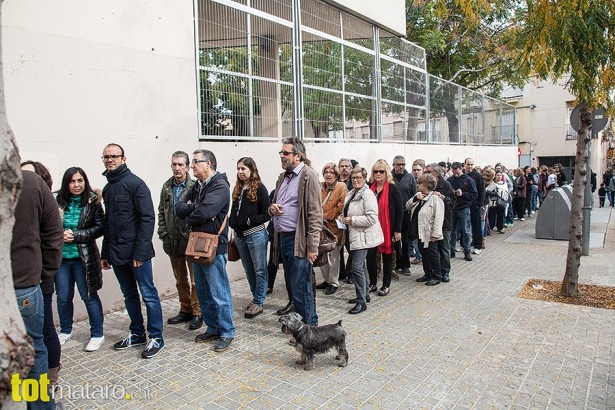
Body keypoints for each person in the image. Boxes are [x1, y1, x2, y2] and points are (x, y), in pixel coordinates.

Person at [100, 143, 165, 359]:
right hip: (117, 254)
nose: (110, 160)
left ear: (123, 159)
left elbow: (148, 218)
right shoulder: (108, 188)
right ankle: (137, 333)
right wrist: (105, 253)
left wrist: (140, 252)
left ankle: (156, 336)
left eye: (114, 156)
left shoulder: (136, 184)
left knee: (148, 294)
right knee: (129, 295)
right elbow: (109, 222)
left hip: (138, 254)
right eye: (106, 157)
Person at [12, 170, 63, 409]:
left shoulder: (32, 182)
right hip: (23, 285)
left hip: (22, 284)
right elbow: (54, 232)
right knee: (33, 351)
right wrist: (44, 272)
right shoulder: (30, 182)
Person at [176, 149, 235, 352]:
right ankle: (213, 327)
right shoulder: (198, 185)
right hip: (197, 245)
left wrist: (195, 210)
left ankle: (227, 331)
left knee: (219, 291)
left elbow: (207, 211)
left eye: (195, 162)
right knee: (203, 291)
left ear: (208, 163)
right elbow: (179, 207)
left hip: (214, 247)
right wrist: (196, 210)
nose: (191, 166)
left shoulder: (219, 185)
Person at [269, 137, 322, 326]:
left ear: (298, 156)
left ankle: (309, 327)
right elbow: (275, 203)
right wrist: (272, 209)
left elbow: (316, 213)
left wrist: (312, 246)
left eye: (286, 153)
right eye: (281, 153)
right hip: (282, 238)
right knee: (293, 286)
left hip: (298, 239)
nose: (282, 156)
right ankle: (305, 325)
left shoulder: (308, 176)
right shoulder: (283, 177)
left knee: (302, 287)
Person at [55, 167, 105, 352]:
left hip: (83, 258)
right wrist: (58, 234)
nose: (77, 185)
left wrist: (76, 235)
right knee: (62, 297)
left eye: (80, 181)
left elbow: (100, 228)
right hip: (61, 260)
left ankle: (97, 333)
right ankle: (65, 330)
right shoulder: (56, 200)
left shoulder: (93, 202)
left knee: (89, 296)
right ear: (66, 183)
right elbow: (47, 225)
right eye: (72, 181)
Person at [158, 151, 202, 330]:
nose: (177, 168)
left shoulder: (195, 186)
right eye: (174, 165)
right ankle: (185, 309)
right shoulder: (166, 187)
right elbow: (161, 211)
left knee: (194, 280)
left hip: (190, 240)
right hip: (172, 241)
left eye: (180, 165)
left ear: (187, 166)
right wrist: (163, 233)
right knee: (180, 279)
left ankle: (198, 312)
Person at [229, 157, 271, 319]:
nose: (240, 172)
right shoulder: (238, 189)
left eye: (243, 169)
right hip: (240, 237)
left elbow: (266, 214)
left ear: (251, 170)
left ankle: (259, 301)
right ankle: (256, 298)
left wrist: (247, 221)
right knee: (248, 270)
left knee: (260, 269)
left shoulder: (260, 188)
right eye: (238, 169)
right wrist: (233, 223)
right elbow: (234, 211)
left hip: (256, 235)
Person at [342, 166, 383, 314]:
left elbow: (372, 218)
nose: (355, 180)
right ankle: (365, 295)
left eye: (359, 177)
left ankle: (361, 301)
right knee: (361, 266)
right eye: (353, 177)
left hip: (362, 235)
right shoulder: (353, 192)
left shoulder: (367, 194)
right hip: (352, 234)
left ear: (364, 178)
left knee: (356, 267)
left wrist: (352, 220)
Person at [366, 159, 403, 297]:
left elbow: (400, 210)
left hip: (387, 229)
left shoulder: (392, 188)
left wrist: (397, 230)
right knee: (370, 257)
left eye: (381, 171)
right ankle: (373, 283)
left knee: (387, 258)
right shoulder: (370, 188)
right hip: (371, 229)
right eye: (376, 171)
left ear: (386, 172)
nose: (378, 173)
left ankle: (386, 285)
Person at [315, 163, 347, 295]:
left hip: (334, 227)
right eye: (326, 172)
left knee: (333, 256)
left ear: (336, 175)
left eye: (331, 172)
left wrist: (323, 216)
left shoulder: (341, 186)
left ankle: (333, 282)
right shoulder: (320, 186)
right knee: (321, 253)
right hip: (319, 227)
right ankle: (327, 280)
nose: (328, 174)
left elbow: (340, 207)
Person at [408, 173, 445, 286]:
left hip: (430, 233)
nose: (418, 185)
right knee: (424, 253)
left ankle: (437, 276)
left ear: (427, 185)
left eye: (420, 183)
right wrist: (415, 198)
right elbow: (407, 206)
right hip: (420, 232)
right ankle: (427, 274)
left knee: (432, 254)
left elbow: (439, 217)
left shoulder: (435, 199)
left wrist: (436, 234)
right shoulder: (419, 197)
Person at [424, 163, 456, 282]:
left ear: (435, 173)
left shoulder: (445, 185)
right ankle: (431, 272)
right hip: (429, 223)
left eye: (428, 171)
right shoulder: (427, 185)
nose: (425, 173)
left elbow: (453, 202)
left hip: (444, 222)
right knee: (430, 249)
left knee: (444, 247)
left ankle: (445, 271)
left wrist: (442, 197)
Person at [391, 155, 417, 276]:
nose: (401, 167)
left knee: (406, 240)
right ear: (393, 165)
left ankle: (405, 265)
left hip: (406, 214)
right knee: (395, 241)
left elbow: (414, 195)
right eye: (398, 164)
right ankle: (395, 264)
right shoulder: (389, 177)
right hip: (393, 214)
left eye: (403, 164)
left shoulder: (410, 177)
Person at [448, 162, 477, 261]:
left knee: (466, 230)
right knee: (452, 230)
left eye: (456, 170)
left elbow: (474, 194)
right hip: (453, 208)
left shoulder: (468, 180)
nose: (455, 172)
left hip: (464, 208)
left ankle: (467, 251)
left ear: (461, 168)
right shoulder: (450, 180)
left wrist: (463, 194)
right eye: (453, 170)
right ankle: (451, 250)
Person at [463, 158, 485, 254]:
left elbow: (482, 190)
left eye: (472, 164)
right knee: (464, 226)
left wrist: (479, 204)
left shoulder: (477, 176)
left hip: (474, 205)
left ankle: (478, 245)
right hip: (464, 205)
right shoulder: (462, 175)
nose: (470, 166)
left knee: (476, 225)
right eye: (468, 164)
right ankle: (465, 244)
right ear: (464, 164)